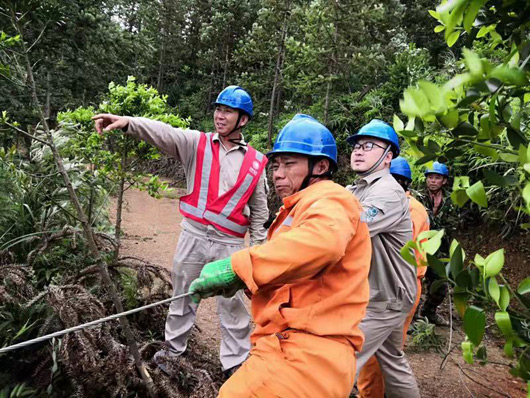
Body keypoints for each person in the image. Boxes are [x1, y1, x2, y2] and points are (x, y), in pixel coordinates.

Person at [189, 114, 372, 397]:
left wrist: (239, 268)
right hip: (290, 348)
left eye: (289, 163)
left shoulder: (332, 199)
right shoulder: (298, 208)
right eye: (275, 165)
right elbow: (297, 274)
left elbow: (323, 243)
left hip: (308, 355)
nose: (277, 173)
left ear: (320, 166)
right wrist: (248, 284)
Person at [93, 85, 269, 376]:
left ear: (243, 120)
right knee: (181, 298)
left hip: (230, 243)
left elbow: (260, 211)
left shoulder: (256, 163)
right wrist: (129, 123)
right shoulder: (196, 144)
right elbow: (165, 132)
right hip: (193, 236)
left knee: (233, 307)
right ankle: (171, 356)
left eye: (228, 111)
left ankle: (234, 365)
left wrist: (258, 254)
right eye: (218, 109)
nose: (220, 116)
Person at [346, 119, 420, 398]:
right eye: (356, 145)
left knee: (341, 356)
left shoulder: (388, 191)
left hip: (387, 297)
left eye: (368, 146)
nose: (358, 151)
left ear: (388, 156)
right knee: (392, 360)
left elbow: (352, 229)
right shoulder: (359, 188)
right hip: (386, 293)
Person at [356, 156, 429, 398]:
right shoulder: (394, 200)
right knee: (389, 357)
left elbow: (364, 230)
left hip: (394, 288)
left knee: (349, 352)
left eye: (399, 181)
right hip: (396, 286)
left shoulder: (407, 206)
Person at [418, 161, 454, 326]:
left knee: (440, 284)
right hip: (420, 245)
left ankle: (429, 311)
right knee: (415, 281)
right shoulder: (417, 197)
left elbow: (455, 225)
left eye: (437, 177)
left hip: (441, 248)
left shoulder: (451, 200)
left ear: (444, 181)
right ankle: (411, 317)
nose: (432, 180)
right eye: (430, 177)